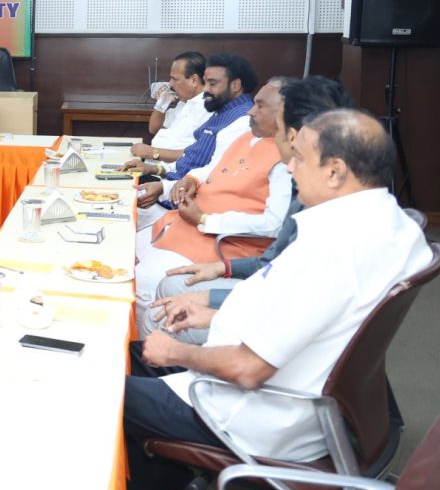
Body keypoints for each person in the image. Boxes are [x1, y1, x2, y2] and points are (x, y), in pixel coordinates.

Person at [121, 109, 430, 490]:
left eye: (299, 157)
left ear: (335, 170)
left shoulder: (332, 250)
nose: (288, 166)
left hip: (260, 411)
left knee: (98, 385)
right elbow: (319, 319)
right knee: (132, 359)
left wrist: (177, 352)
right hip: (323, 405)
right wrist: (217, 315)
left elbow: (247, 369)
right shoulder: (396, 226)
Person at [144, 77, 353, 343]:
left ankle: (163, 360)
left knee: (157, 312)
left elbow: (284, 297)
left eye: (283, 134)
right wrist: (224, 268)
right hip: (263, 286)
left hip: (271, 322)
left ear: (296, 136)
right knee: (168, 287)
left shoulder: (320, 209)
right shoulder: (321, 192)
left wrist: (209, 301)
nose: (288, 166)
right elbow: (272, 263)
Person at [131, 78, 290, 313]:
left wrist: (204, 220)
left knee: (139, 282)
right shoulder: (245, 137)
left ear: (286, 114)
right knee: (122, 251)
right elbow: (212, 168)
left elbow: (274, 225)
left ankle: (146, 335)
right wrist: (192, 180)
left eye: (260, 106)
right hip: (185, 225)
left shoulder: (286, 159)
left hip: (222, 243)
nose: (251, 111)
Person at [128, 54, 257, 228]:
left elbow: (215, 175)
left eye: (212, 84)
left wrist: (163, 188)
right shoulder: (221, 113)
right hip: (170, 187)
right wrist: (156, 169)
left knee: (116, 209)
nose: (206, 90)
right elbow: (191, 158)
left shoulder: (241, 121)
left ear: (235, 85)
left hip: (181, 204)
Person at [130, 52, 209, 164]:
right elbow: (154, 129)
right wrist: (161, 104)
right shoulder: (184, 103)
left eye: (175, 79)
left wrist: (153, 153)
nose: (170, 84)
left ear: (194, 80)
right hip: (154, 164)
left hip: (170, 171)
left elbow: (199, 154)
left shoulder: (208, 109)